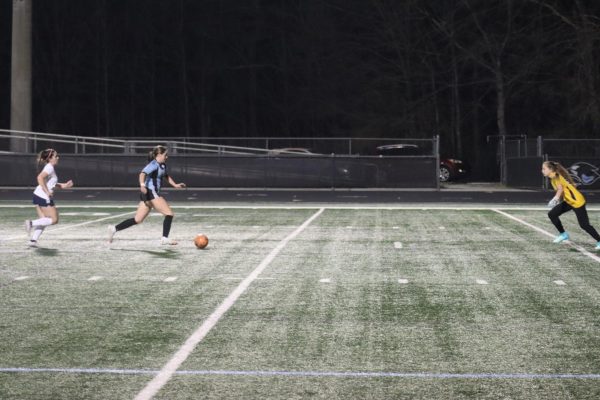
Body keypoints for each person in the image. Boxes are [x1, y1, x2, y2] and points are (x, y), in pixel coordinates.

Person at [108, 145, 186, 245]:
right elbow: (142, 174)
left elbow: (166, 175)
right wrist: (142, 185)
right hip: (150, 192)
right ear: (159, 155)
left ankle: (114, 229)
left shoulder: (163, 165)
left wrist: (175, 185)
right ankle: (164, 238)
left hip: (148, 195)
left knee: (138, 219)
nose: (167, 157)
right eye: (165, 155)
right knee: (169, 214)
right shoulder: (153, 164)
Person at [542, 160, 600, 250]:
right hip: (569, 201)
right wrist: (558, 199)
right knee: (552, 214)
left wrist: (555, 199)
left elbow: (560, 189)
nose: (542, 170)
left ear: (550, 169)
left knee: (584, 225)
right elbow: (564, 189)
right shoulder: (553, 178)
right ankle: (563, 234)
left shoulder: (556, 176)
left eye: (544, 168)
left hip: (577, 202)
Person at [25, 149, 74, 247]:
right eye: (56, 156)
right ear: (50, 158)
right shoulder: (49, 167)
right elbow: (40, 178)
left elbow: (51, 183)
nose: (57, 158)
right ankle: (30, 223)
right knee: (54, 220)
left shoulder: (49, 167)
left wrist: (64, 185)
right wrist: (47, 192)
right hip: (43, 196)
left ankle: (33, 240)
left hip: (37, 195)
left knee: (44, 220)